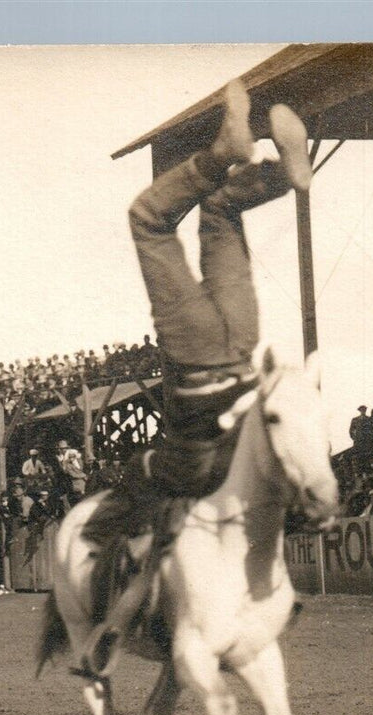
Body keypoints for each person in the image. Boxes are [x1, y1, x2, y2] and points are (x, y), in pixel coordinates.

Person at [122, 80, 312, 497]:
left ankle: (249, 163)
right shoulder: (203, 459)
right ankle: (280, 173)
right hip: (204, 357)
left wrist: (146, 467)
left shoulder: (199, 464)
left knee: (184, 216)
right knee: (181, 214)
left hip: (237, 348)